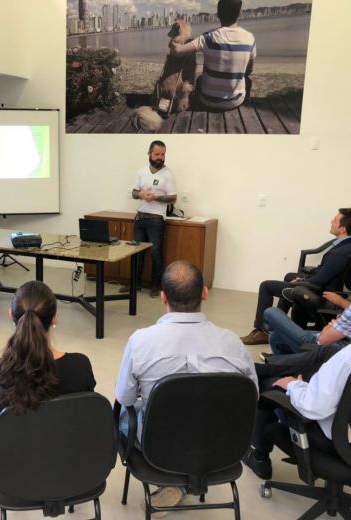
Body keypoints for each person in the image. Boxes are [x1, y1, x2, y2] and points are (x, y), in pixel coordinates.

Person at [115, 261, 258, 514]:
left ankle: (175, 482)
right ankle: (189, 480)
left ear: (162, 297)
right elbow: (251, 397)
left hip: (159, 447)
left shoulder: (141, 341)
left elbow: (125, 398)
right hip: (222, 445)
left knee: (119, 415)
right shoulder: (233, 343)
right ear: (204, 292)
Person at [0, 280, 95, 429]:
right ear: (55, 317)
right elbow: (86, 413)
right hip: (68, 451)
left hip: (16, 452)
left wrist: (12, 421)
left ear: (11, 315)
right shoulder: (80, 366)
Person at [241, 208, 351, 345]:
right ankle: (274, 326)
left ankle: (262, 331)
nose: (331, 221)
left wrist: (302, 281)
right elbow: (325, 271)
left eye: (335, 220)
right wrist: (300, 279)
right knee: (289, 276)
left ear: (343, 229)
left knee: (266, 286)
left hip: (321, 293)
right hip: (327, 284)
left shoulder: (339, 253)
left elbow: (319, 281)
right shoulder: (350, 243)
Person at [244, 343, 351, 480]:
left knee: (268, 384)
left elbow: (313, 407)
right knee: (330, 351)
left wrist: (293, 384)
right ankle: (267, 369)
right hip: (345, 434)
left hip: (331, 443)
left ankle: (260, 459)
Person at [262, 253, 351, 355]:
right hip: (340, 334)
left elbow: (323, 339)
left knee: (270, 312)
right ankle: (286, 365)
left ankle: (263, 331)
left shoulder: (342, 250)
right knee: (275, 338)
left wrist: (337, 308)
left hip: (332, 346)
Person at [171, 0, 256, 111]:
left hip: (207, 100)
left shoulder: (208, 37)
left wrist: (173, 39)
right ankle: (245, 102)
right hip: (235, 102)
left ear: (218, 14)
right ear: (240, 13)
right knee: (247, 80)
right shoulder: (250, 38)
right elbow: (248, 71)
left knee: (200, 79)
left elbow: (177, 51)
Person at [122, 140, 176, 298]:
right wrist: (140, 194)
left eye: (163, 154)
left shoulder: (168, 174)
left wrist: (155, 198)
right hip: (140, 217)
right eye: (157, 154)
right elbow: (133, 193)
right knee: (137, 252)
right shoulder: (141, 172)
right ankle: (135, 284)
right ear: (149, 154)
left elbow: (173, 198)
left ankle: (156, 286)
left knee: (155, 253)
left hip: (156, 219)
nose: (160, 157)